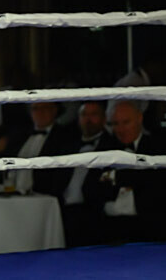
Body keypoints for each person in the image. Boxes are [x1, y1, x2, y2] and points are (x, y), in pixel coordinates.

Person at [98, 100, 166, 243]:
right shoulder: (105, 147)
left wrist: (114, 176)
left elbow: (159, 185)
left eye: (126, 122)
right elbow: (90, 188)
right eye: (115, 124)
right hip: (109, 227)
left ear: (139, 118)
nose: (121, 129)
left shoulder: (159, 146)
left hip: (150, 226)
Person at [60, 101, 118, 247]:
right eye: (84, 115)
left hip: (93, 214)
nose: (88, 119)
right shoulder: (68, 146)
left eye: (94, 114)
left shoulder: (113, 146)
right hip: (64, 211)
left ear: (104, 118)